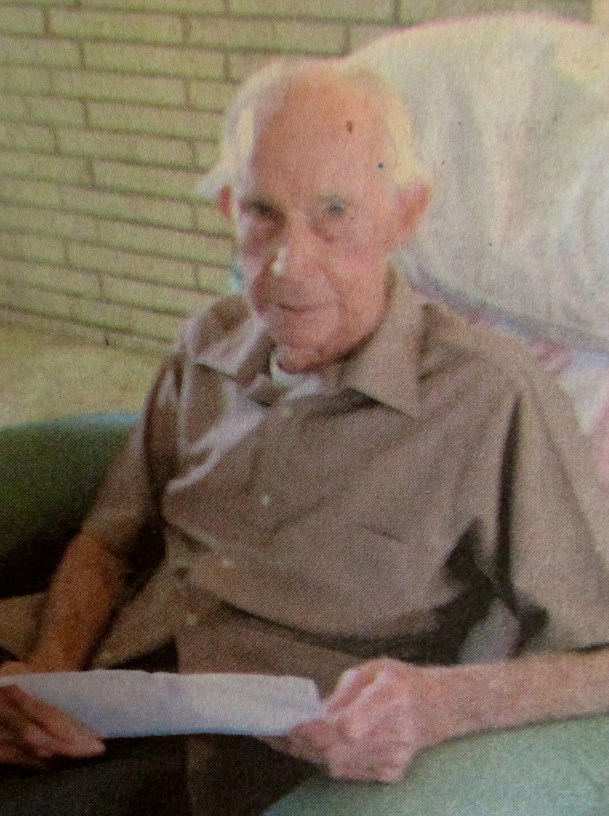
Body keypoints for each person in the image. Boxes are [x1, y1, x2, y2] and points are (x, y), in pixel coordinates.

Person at [0, 58, 609, 815]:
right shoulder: (208, 342)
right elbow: (107, 537)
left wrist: (446, 704)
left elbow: (598, 657)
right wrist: (47, 673)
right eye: (262, 212)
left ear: (403, 214)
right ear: (228, 207)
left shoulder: (490, 396)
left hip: (245, 769)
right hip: (106, 688)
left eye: (333, 213)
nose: (289, 265)